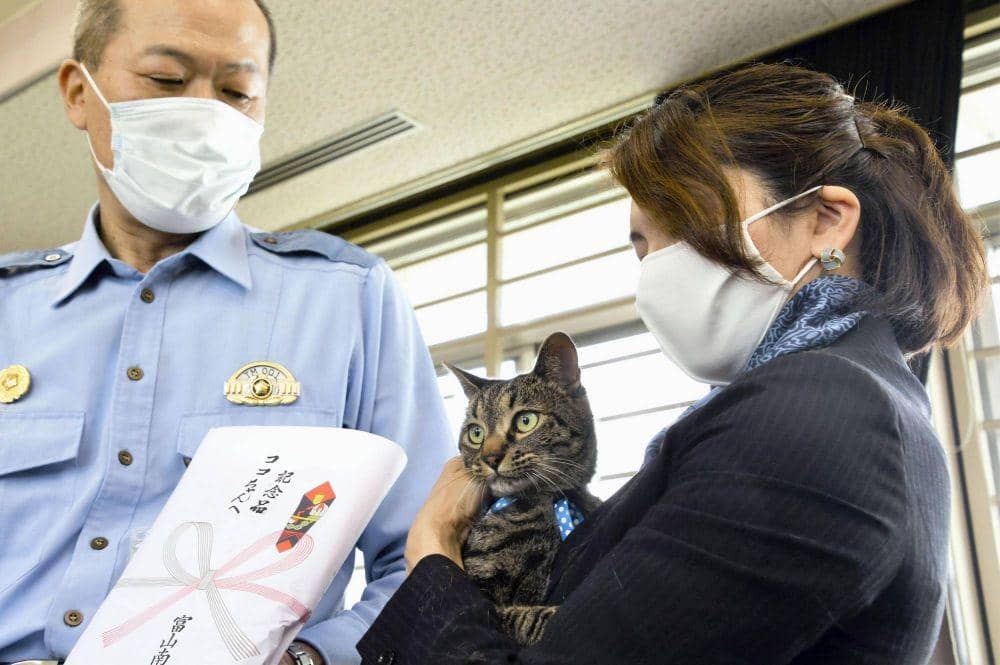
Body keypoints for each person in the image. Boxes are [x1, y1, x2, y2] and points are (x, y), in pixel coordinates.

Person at [357, 63, 988, 664]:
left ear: (826, 220)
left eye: (682, 222)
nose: (657, 270)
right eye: (642, 245)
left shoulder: (823, 409)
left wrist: (432, 552)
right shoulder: (852, 395)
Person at [0, 2, 452, 664]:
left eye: (236, 91)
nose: (206, 113)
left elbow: (430, 556)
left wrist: (312, 658)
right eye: (165, 78)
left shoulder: (348, 298)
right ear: (77, 92)